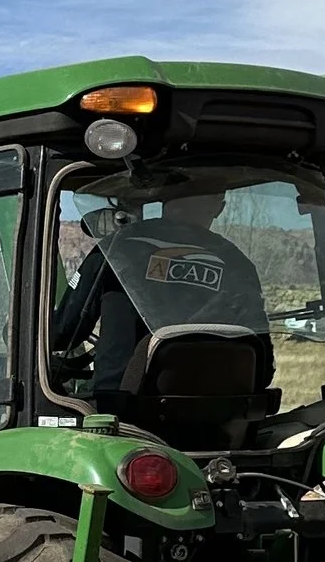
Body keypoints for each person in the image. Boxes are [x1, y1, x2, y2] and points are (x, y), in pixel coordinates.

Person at [51, 175, 272, 410]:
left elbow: (66, 332)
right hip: (224, 418)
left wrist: (22, 332)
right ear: (219, 208)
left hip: (123, 413)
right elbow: (263, 366)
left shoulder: (117, 248)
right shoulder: (237, 262)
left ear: (164, 198)